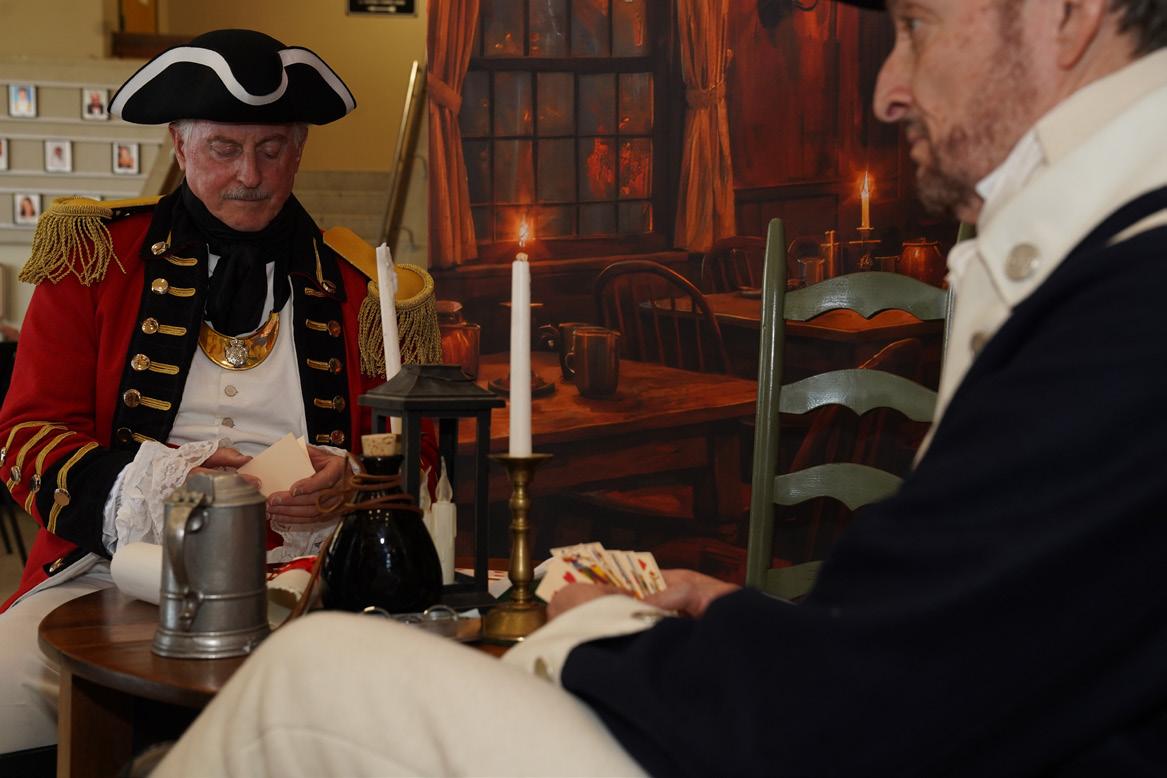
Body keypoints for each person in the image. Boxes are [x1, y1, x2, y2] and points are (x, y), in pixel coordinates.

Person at [157, 0, 1167, 775]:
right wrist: (750, 620)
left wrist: (593, 627)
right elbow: (971, 640)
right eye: (224, 149)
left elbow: (864, 711)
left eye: (915, 24)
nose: (886, 91)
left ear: (1069, 13)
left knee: (312, 673)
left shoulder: (1130, 305)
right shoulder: (1110, 264)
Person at [0, 29, 441, 756]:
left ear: (299, 149)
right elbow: (26, 436)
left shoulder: (366, 292)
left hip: (308, 581)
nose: (250, 175)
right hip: (110, 571)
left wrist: (355, 485)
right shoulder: (93, 258)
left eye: (271, 149)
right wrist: (153, 484)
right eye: (223, 148)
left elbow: (419, 452)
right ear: (179, 145)